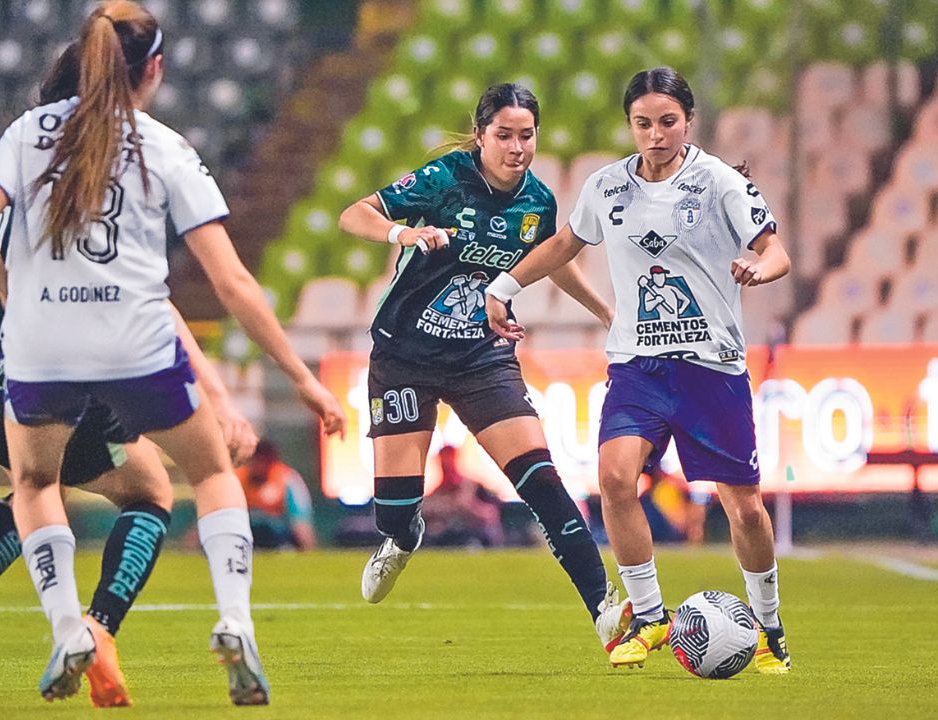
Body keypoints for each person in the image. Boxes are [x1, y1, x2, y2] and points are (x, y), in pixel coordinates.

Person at [0, 1, 344, 705]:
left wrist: (18, 294)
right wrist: (300, 380)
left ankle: (70, 628)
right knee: (210, 469)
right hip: (135, 342)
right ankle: (235, 622)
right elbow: (232, 282)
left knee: (37, 486)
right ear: (154, 69)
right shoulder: (164, 147)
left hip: (42, 347)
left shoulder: (27, 134)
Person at [0, 40, 259, 708]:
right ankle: (97, 631)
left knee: (33, 490)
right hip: (55, 378)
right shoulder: (92, 172)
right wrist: (213, 393)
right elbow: (145, 297)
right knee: (151, 492)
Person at [485, 66, 793, 673]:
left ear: (689, 123)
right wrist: (503, 286)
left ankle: (769, 627)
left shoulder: (720, 183)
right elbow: (561, 245)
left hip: (711, 368)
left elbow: (774, 249)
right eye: (643, 123)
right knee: (615, 478)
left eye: (667, 122)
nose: (655, 135)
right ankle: (650, 620)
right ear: (630, 124)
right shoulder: (606, 187)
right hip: (638, 367)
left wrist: (761, 270)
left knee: (745, 508)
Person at [337, 82, 632, 656]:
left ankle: (603, 607)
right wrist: (404, 231)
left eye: (526, 135)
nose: (516, 147)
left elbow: (549, 260)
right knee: (393, 508)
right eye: (504, 135)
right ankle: (402, 536)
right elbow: (355, 215)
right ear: (480, 136)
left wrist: (604, 311)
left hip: (481, 355)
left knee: (541, 479)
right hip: (405, 356)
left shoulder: (538, 202)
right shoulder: (444, 180)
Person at [237, 441, 317, 551]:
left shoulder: (287, 479)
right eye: (254, 460)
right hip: (245, 533)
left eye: (262, 461)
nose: (258, 466)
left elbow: (301, 521)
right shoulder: (236, 480)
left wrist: (308, 550)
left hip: (277, 536)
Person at [420, 445, 503, 548]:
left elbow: (490, 513)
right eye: (443, 459)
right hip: (449, 538)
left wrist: (469, 506)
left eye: (448, 458)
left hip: (474, 536)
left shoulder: (473, 486)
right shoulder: (438, 491)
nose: (446, 463)